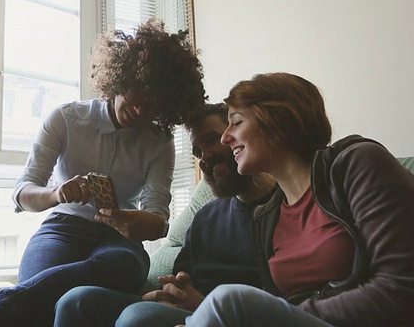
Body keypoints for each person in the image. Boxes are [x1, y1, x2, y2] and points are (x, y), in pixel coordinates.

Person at [0, 18, 207, 327]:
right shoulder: (67, 118)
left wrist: (132, 222)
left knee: (120, 264)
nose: (142, 110)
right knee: (41, 287)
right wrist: (56, 193)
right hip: (61, 228)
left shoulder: (159, 142)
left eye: (155, 105)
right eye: (139, 94)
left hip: (119, 241)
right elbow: (23, 192)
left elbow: (158, 219)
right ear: (121, 76)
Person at [182, 72, 414, 327]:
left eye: (236, 123)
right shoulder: (268, 216)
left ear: (279, 120)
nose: (226, 138)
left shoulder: (357, 164)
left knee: (227, 301)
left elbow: (400, 288)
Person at [53, 103, 277, 327]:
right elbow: (183, 275)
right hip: (184, 311)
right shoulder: (206, 216)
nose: (205, 157)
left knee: (140, 317)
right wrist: (174, 290)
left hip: (230, 316)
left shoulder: (282, 209)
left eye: (211, 140)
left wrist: (203, 305)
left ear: (236, 137)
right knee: (76, 301)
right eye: (197, 152)